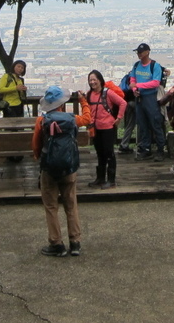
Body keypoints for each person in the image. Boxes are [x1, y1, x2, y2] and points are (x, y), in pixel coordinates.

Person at [32, 86, 92, 257]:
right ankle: (75, 242)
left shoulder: (41, 121)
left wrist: (40, 160)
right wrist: (83, 100)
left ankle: (56, 244)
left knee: (51, 206)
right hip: (69, 167)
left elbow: (36, 145)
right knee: (71, 205)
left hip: (49, 169)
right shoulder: (72, 119)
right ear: (62, 104)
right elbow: (88, 118)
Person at [82, 70, 127, 189]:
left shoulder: (108, 93)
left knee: (109, 153)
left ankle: (111, 180)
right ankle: (100, 178)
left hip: (108, 128)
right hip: (96, 128)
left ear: (100, 80)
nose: (92, 82)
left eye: (94, 80)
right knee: (100, 153)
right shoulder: (89, 94)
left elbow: (123, 103)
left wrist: (119, 118)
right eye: (90, 80)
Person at [128, 43, 166, 161]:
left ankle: (161, 149)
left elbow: (155, 82)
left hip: (151, 98)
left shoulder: (155, 66)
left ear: (147, 52)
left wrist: (138, 85)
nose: (139, 54)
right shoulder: (136, 66)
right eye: (138, 52)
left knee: (155, 124)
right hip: (139, 98)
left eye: (141, 52)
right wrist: (134, 90)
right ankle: (146, 149)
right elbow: (132, 80)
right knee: (142, 124)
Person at [117, 72, 136, 155]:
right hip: (135, 103)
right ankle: (143, 146)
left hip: (127, 103)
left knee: (129, 125)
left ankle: (124, 144)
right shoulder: (137, 77)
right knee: (143, 124)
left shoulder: (127, 77)